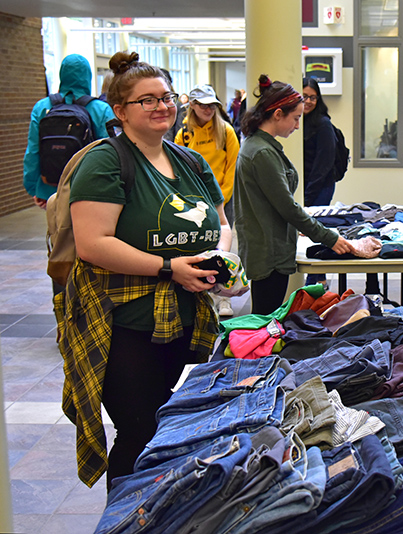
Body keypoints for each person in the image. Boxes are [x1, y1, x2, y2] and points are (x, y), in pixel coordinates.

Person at [59, 50, 232, 490]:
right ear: (120, 111)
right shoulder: (105, 162)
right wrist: (168, 268)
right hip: (124, 325)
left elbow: (222, 224)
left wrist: (220, 262)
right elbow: (93, 243)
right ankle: (125, 518)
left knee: (169, 428)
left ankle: (159, 513)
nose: (162, 107)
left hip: (186, 319)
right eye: (147, 100)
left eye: (167, 97)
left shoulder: (190, 162)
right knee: (139, 433)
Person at [234, 74, 353, 316]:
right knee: (266, 320)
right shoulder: (262, 153)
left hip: (267, 244)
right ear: (278, 114)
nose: (298, 125)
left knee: (266, 317)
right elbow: (286, 206)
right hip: (269, 251)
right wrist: (329, 238)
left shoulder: (258, 146)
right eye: (295, 118)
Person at [176, 84, 241, 316]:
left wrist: (221, 198)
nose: (208, 109)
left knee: (222, 248)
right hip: (193, 202)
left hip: (223, 198)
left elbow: (233, 167)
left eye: (212, 105)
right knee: (198, 247)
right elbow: (178, 167)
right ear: (192, 106)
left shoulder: (226, 131)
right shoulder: (184, 133)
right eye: (202, 105)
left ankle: (224, 298)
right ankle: (202, 295)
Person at [23, 54, 115, 210]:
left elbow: (33, 150)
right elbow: (111, 153)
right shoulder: (101, 109)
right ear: (88, 76)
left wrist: (35, 188)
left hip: (51, 189)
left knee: (60, 231)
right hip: (91, 189)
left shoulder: (42, 107)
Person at [302, 77, 338, 207]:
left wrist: (308, 196)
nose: (308, 101)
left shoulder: (323, 124)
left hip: (319, 186)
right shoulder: (296, 122)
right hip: (303, 184)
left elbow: (323, 164)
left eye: (313, 97)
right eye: (304, 96)